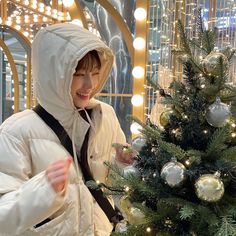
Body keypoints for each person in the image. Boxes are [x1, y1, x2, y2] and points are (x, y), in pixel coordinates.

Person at [0, 23, 134, 236]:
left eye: (96, 73)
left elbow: (113, 189)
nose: (90, 84)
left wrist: (122, 165)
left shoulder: (104, 115)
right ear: (54, 74)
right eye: (79, 74)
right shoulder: (16, 131)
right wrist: (43, 191)